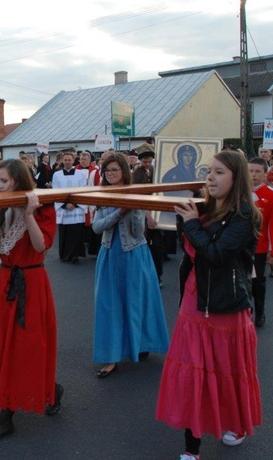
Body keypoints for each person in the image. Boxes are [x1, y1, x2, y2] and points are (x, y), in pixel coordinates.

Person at [156, 150, 262, 459]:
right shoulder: (205, 208)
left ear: (236, 178)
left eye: (218, 173)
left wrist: (190, 223)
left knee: (228, 372)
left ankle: (235, 424)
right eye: (209, 171)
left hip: (226, 305)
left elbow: (215, 254)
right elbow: (191, 252)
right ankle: (192, 448)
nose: (210, 178)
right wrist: (188, 219)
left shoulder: (245, 214)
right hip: (195, 300)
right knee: (193, 375)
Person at [0, 159, 62, 443]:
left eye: (4, 181)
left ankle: (7, 416)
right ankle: (48, 391)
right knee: (6, 348)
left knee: (29, 347)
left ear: (18, 180)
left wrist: (28, 214)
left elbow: (41, 246)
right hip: (6, 281)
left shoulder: (43, 205)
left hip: (32, 283)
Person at [91, 154, 169, 378]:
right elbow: (97, 227)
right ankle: (111, 357)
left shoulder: (135, 193)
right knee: (108, 305)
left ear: (124, 171)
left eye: (114, 170)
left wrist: (134, 209)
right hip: (109, 253)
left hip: (134, 253)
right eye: (107, 171)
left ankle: (142, 342)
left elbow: (136, 231)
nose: (111, 174)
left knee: (138, 300)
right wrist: (119, 212)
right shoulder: (102, 194)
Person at [247, 157, 273, 328]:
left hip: (258, 248)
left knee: (257, 282)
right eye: (250, 171)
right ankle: (245, 313)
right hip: (238, 246)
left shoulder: (272, 195)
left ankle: (260, 311)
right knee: (240, 282)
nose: (253, 175)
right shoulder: (238, 191)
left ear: (265, 174)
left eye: (257, 171)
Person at [132, 150, 163, 286]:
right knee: (143, 246)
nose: (148, 164)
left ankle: (157, 275)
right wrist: (149, 216)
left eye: (150, 161)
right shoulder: (137, 175)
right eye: (145, 161)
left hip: (157, 210)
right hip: (143, 213)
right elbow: (140, 199)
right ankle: (143, 275)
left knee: (157, 246)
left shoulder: (157, 171)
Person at [51, 152, 86, 263]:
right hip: (64, 208)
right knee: (65, 232)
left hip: (77, 208)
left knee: (76, 232)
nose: (67, 162)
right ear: (62, 161)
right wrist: (65, 205)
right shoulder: (57, 175)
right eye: (65, 160)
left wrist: (74, 204)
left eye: (69, 160)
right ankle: (65, 254)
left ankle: (75, 254)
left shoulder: (80, 174)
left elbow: (83, 190)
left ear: (73, 160)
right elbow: (55, 191)